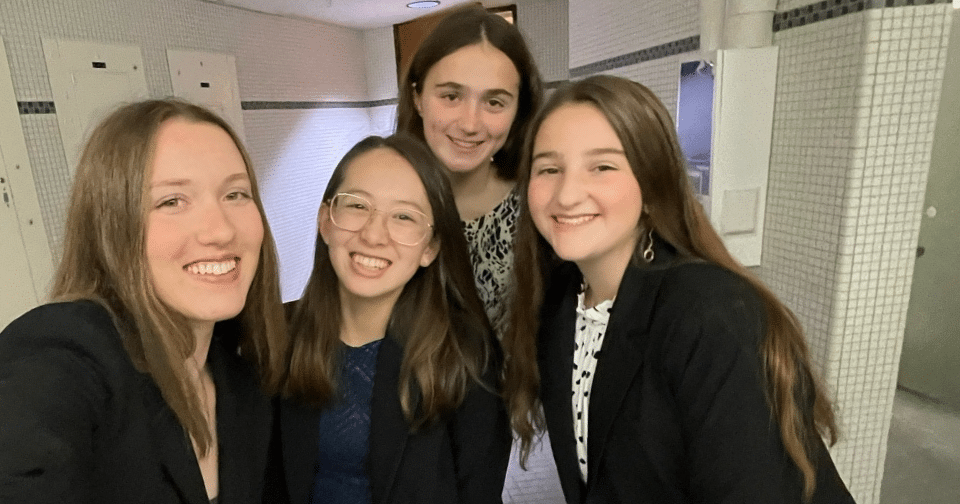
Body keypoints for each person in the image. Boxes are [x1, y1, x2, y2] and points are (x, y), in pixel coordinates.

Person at [505, 75, 857, 503]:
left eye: (603, 166)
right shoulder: (558, 301)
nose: (567, 192)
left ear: (653, 186)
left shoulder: (711, 314)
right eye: (549, 169)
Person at [0, 99, 286, 503]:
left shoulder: (241, 383)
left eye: (236, 194)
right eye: (172, 201)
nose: (220, 230)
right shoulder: (67, 348)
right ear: (112, 225)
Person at [267, 135, 510, 504]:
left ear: (430, 247)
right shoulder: (275, 335)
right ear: (326, 220)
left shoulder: (465, 355)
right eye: (357, 206)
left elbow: (479, 491)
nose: (373, 234)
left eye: (404, 216)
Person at [396, 4, 543, 337]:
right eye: (451, 96)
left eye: (494, 102)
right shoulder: (385, 206)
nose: (470, 124)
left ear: (519, 111)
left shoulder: (541, 208)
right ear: (418, 98)